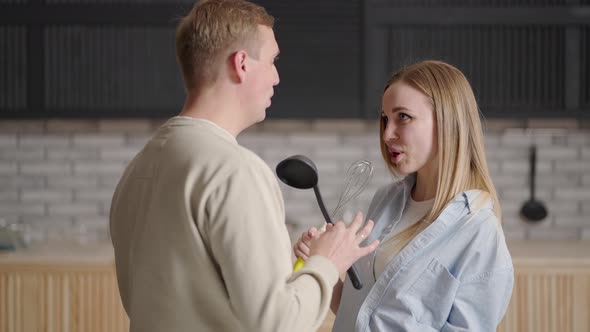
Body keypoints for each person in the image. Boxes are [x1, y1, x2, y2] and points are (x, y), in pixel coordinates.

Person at [109, 1, 379, 331]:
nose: (277, 77)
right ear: (241, 64)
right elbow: (278, 324)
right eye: (272, 61)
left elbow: (202, 299)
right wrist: (328, 263)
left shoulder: (139, 167)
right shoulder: (236, 172)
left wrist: (303, 271)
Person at [294, 60, 514, 331]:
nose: (387, 134)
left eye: (403, 117)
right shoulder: (386, 200)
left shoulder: (479, 232)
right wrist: (325, 268)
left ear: (448, 122)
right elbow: (364, 315)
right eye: (385, 119)